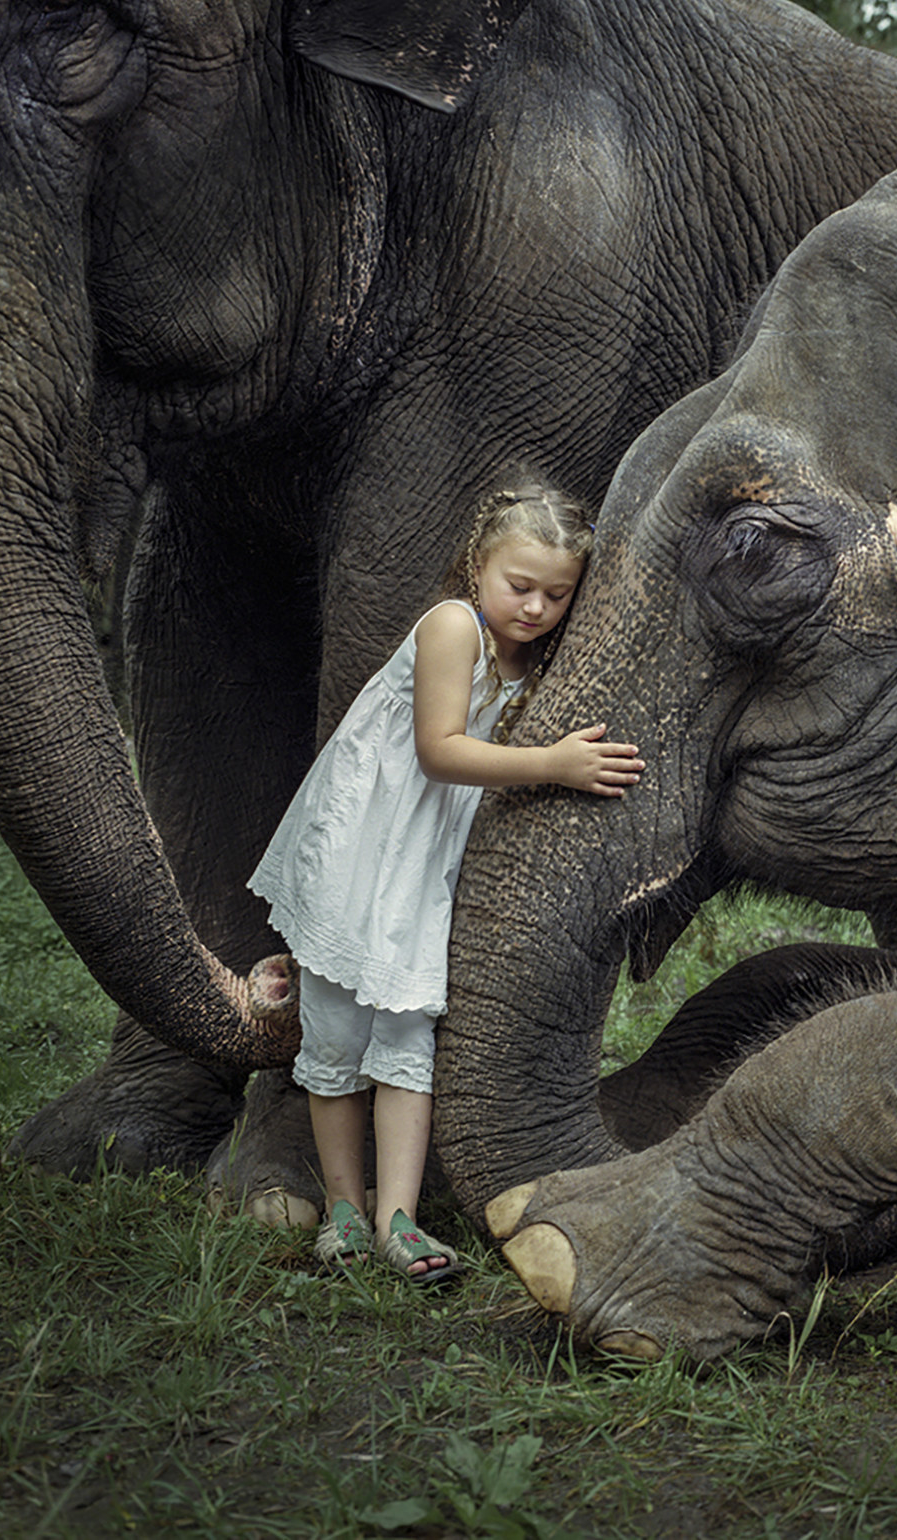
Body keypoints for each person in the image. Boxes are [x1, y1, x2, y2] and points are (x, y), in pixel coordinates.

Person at [249, 483, 643, 1283]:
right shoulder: (452, 626)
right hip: (364, 852)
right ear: (477, 568)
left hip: (423, 863)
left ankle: (401, 1221)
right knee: (334, 1035)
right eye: (519, 586)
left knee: (405, 1036)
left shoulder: (526, 653)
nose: (535, 608)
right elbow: (439, 750)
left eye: (556, 594)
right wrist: (555, 766)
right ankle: (344, 1213)